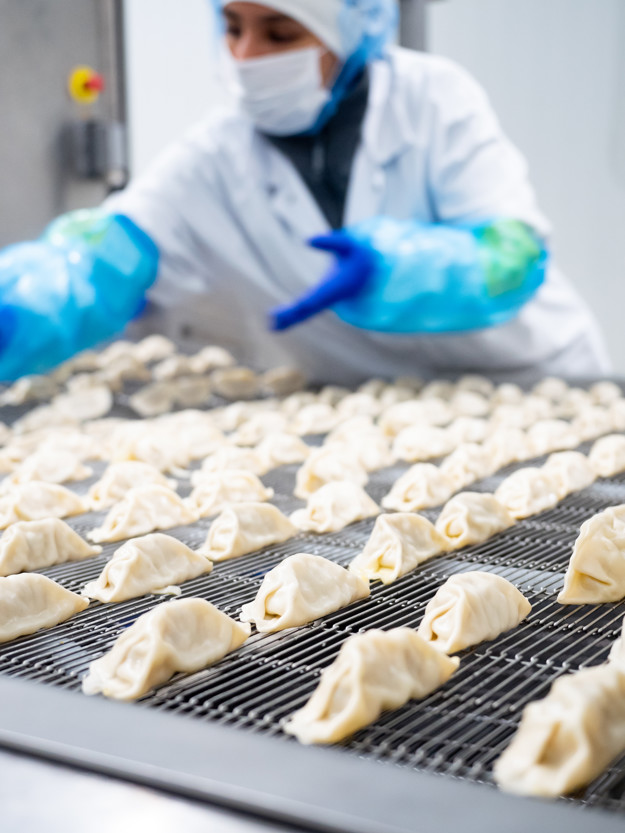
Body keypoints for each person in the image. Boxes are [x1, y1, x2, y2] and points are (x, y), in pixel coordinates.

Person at [0, 0, 609, 384]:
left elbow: (513, 256)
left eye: (279, 32)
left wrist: (404, 269)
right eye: (233, 27)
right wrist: (30, 304)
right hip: (371, 412)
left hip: (531, 382)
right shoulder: (213, 157)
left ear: (345, 32)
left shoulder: (433, 100)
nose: (245, 56)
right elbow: (107, 255)